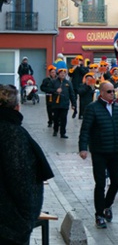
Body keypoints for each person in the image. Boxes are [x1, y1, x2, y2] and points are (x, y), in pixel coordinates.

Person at [0, 84, 54, 244]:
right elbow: (20, 181)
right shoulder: (13, 134)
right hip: (10, 226)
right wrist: (27, 218)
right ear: (17, 107)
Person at [78, 82, 118, 229]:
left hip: (115, 151)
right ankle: (99, 214)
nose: (112, 94)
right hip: (99, 151)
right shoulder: (92, 108)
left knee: (116, 181)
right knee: (100, 184)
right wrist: (83, 148)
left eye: (113, 91)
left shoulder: (117, 108)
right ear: (101, 92)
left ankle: (107, 205)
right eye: (109, 91)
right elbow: (85, 129)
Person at [50, 68, 77, 138]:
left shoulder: (68, 83)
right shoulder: (54, 82)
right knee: (55, 118)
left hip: (64, 104)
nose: (62, 74)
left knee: (63, 119)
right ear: (58, 74)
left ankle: (63, 133)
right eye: (61, 73)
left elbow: (72, 94)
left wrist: (74, 104)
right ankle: (55, 130)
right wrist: (55, 90)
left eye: (64, 73)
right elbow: (48, 89)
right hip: (56, 104)